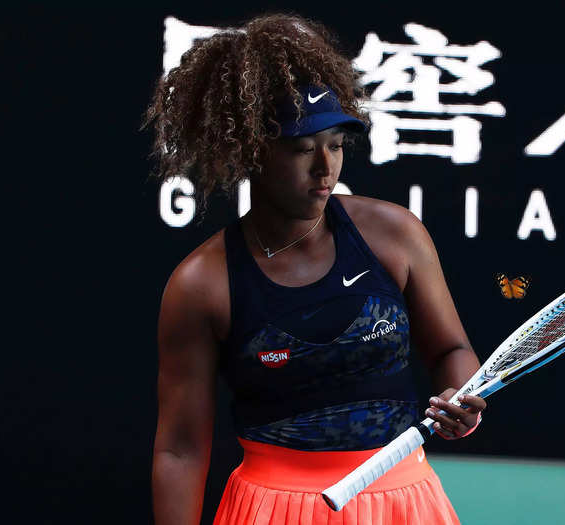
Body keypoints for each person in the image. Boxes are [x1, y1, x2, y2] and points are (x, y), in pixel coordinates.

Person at [146, 13, 486, 525]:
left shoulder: (395, 234)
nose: (325, 169)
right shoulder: (202, 284)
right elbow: (179, 449)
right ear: (251, 152)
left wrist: (463, 404)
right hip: (272, 507)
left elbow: (452, 350)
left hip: (406, 501)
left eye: (336, 146)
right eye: (304, 150)